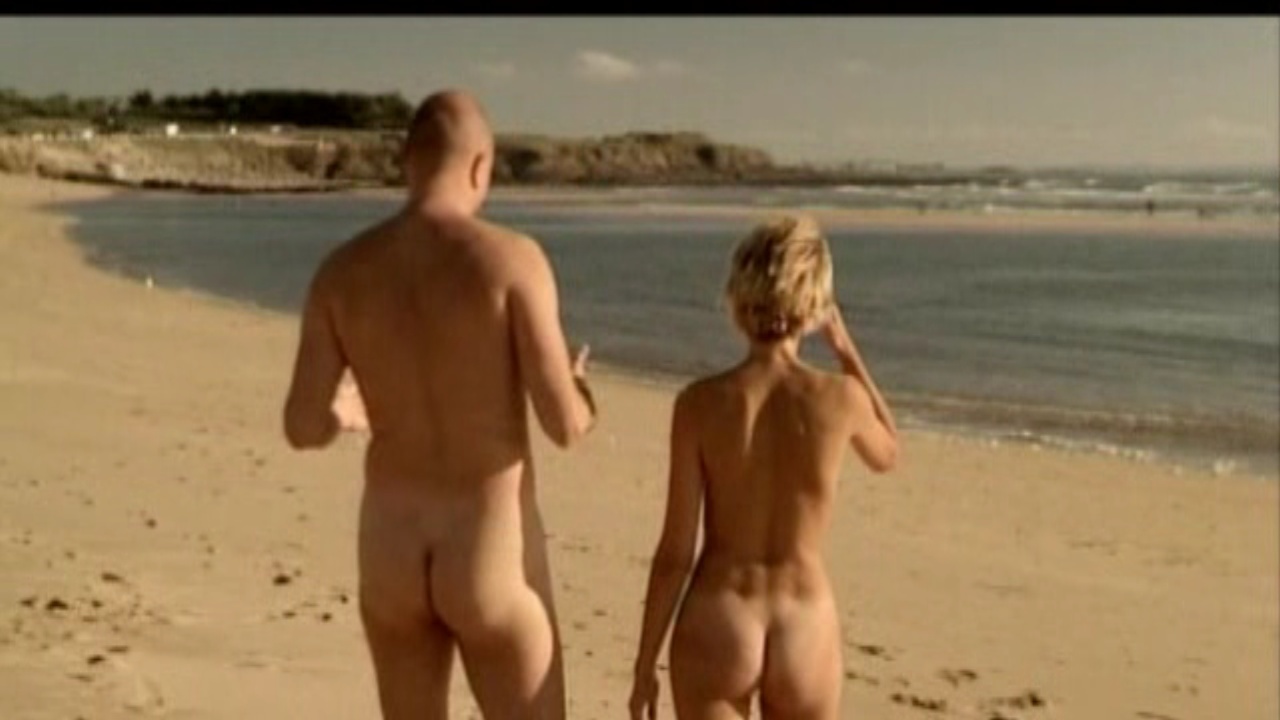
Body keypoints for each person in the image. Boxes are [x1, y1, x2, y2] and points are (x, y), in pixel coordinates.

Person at [282, 89, 597, 720]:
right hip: (486, 549)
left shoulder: (342, 272)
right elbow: (563, 424)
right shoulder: (512, 262)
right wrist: (579, 387)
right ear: (481, 167)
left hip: (390, 550)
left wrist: (345, 414)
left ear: (408, 162)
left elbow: (301, 426)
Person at [628, 215, 898, 720]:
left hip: (721, 611)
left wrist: (645, 664)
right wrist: (845, 350)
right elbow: (889, 453)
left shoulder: (699, 403)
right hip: (804, 618)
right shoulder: (841, 398)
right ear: (815, 305)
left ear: (738, 295)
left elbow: (675, 553)